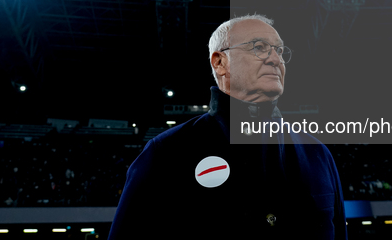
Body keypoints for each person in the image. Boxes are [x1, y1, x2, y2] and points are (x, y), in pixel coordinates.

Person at [109, 14, 347, 239]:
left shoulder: (318, 154)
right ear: (220, 62)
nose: (276, 59)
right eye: (259, 47)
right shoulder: (166, 153)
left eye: (279, 50)